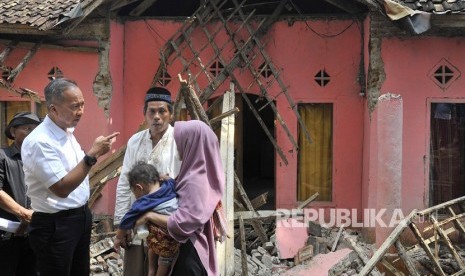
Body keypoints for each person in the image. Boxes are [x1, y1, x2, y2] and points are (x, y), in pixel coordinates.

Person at [21, 78, 119, 276]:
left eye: (82, 104)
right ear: (53, 109)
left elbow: (76, 173)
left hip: (79, 218)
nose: (81, 111)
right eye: (75, 106)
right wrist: (92, 155)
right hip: (56, 225)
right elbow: (61, 188)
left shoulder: (66, 132)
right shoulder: (40, 142)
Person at [135, 120, 226, 276]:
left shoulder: (195, 181)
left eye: (180, 142)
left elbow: (184, 222)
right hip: (190, 251)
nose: (177, 146)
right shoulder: (197, 173)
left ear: (192, 143)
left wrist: (149, 216)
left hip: (188, 255)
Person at [114, 86, 181, 276]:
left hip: (166, 221)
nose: (157, 117)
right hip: (137, 219)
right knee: (136, 269)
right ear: (145, 114)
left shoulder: (179, 140)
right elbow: (124, 183)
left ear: (171, 114)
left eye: (162, 111)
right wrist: (121, 222)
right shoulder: (135, 141)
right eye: (152, 111)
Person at [115, 161, 179, 276]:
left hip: (165, 237)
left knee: (157, 252)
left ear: (139, 187)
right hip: (173, 233)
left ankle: (151, 271)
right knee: (163, 258)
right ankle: (153, 271)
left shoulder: (144, 202)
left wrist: (118, 238)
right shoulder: (168, 186)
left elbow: (126, 220)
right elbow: (170, 179)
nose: (136, 196)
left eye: (134, 192)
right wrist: (163, 176)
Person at [0, 112, 41, 276]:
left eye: (36, 130)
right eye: (27, 128)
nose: (32, 134)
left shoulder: (40, 160)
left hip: (34, 234)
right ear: (13, 132)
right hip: (7, 235)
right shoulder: (3, 157)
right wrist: (24, 214)